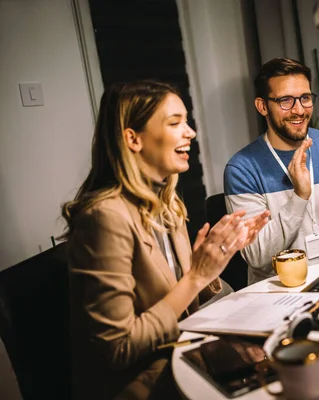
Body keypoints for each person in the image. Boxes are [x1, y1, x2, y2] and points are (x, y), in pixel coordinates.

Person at [61, 81, 269, 400]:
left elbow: (185, 302)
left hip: (186, 361)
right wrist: (197, 276)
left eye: (186, 121)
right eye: (175, 123)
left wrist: (216, 262)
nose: (190, 132)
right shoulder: (103, 218)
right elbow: (118, 349)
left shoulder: (168, 203)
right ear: (133, 138)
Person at [224, 58, 319, 285]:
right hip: (276, 297)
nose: (299, 110)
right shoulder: (242, 169)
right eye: (285, 100)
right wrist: (299, 198)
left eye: (305, 98)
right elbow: (256, 255)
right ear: (262, 106)